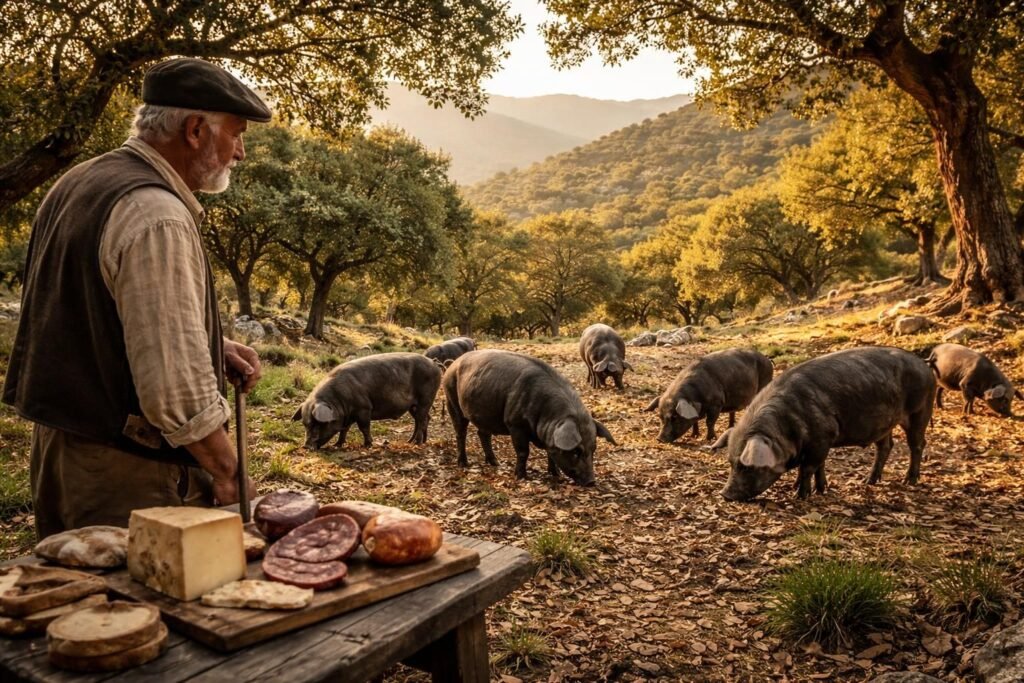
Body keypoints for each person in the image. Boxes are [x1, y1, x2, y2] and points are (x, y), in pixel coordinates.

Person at [3, 58, 272, 538]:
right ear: (194, 130)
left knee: (78, 606)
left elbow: (89, 309)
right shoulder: (156, 213)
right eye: (236, 134)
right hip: (128, 475)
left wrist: (213, 345)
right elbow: (177, 392)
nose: (241, 153)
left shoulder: (81, 180)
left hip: (63, 450)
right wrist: (230, 471)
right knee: (143, 608)